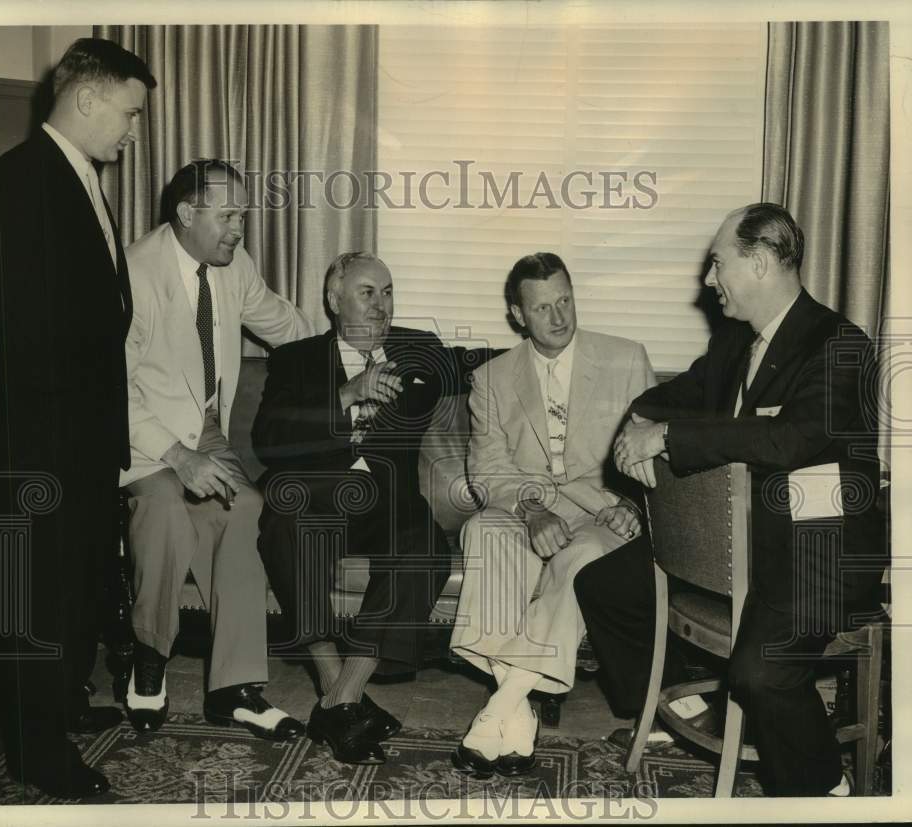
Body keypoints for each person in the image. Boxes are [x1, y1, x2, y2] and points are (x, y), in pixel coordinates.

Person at [579, 203, 885, 796]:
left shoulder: (840, 344)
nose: (708, 279)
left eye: (718, 264)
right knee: (603, 586)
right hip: (738, 545)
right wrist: (636, 423)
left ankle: (826, 791)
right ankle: (686, 717)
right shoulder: (732, 344)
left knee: (760, 673)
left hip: (817, 550)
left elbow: (792, 437)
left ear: (762, 262)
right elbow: (674, 394)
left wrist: (666, 435)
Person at [0, 38, 156, 799]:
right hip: (33, 446)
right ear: (88, 98)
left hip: (77, 440)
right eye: (129, 113)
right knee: (28, 597)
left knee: (69, 588)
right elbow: (7, 333)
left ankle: (58, 705)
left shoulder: (77, 178)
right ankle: (36, 751)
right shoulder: (21, 186)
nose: (134, 129)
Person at [252, 252, 478, 765]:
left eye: (389, 292)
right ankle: (333, 677)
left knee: (422, 545)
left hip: (385, 498)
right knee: (283, 521)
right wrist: (347, 393)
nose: (382, 306)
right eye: (367, 292)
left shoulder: (420, 349)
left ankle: (341, 697)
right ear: (334, 300)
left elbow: (481, 361)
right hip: (312, 493)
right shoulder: (296, 358)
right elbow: (268, 439)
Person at [121, 160, 312, 739]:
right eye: (228, 216)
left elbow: (287, 327)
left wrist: (348, 360)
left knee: (246, 508)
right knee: (166, 512)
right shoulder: (129, 274)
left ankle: (235, 687)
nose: (239, 230)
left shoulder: (232, 265)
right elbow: (106, 392)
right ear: (186, 214)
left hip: (201, 428)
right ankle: (149, 656)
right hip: (137, 433)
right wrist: (179, 459)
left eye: (243, 217)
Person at [449, 253, 655, 777]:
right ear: (518, 315)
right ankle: (518, 714)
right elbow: (488, 470)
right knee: (483, 530)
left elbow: (656, 457)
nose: (559, 317)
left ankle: (499, 710)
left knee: (582, 559)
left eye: (565, 301)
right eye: (542, 308)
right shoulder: (492, 378)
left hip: (602, 511)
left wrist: (632, 507)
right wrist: (532, 509)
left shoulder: (626, 359)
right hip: (527, 504)